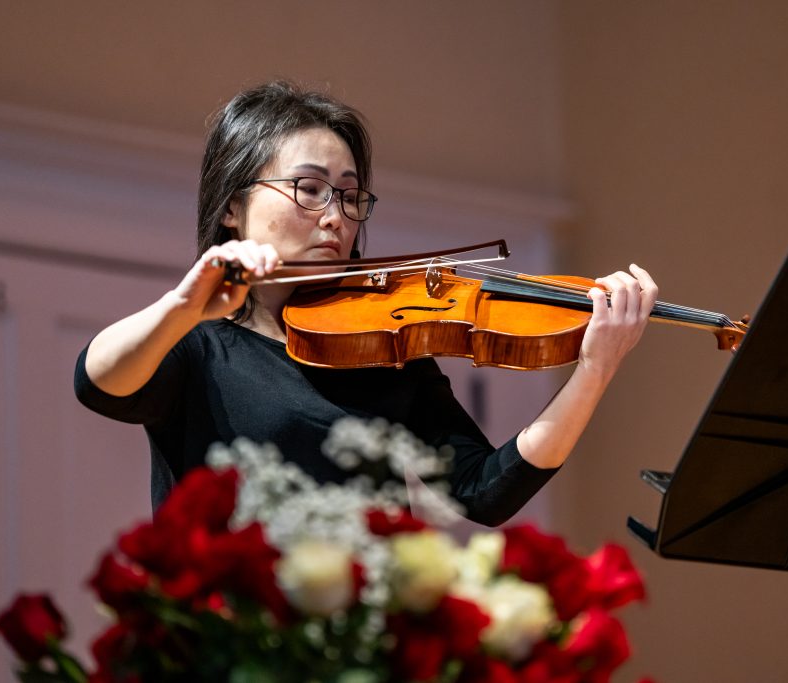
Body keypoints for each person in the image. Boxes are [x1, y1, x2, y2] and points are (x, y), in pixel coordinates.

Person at [74, 80, 658, 527]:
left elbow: (483, 491)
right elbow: (98, 382)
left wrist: (595, 369)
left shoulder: (385, 352)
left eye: (351, 197)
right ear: (232, 204)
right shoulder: (198, 345)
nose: (335, 216)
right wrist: (183, 306)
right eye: (309, 189)